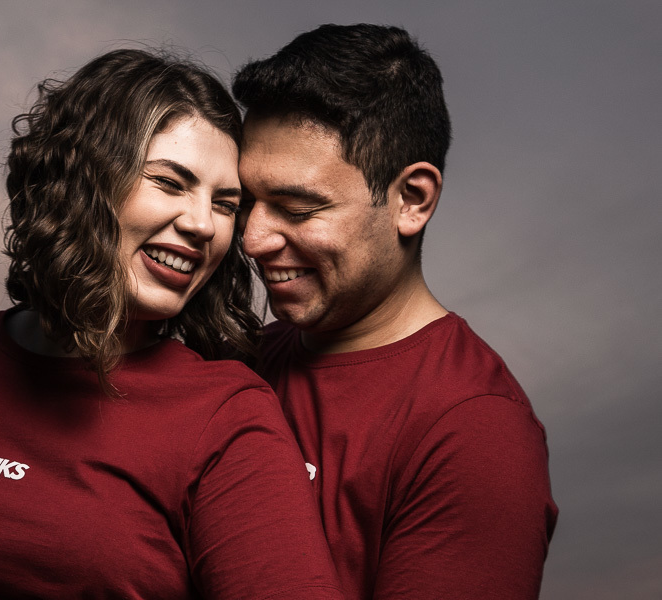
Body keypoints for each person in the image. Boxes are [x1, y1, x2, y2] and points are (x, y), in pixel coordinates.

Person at [0, 48, 344, 599]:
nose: (202, 225)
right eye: (170, 182)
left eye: (225, 203)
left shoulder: (227, 416)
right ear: (82, 178)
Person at [232, 24, 559, 599]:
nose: (254, 239)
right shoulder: (244, 359)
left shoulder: (474, 431)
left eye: (297, 209)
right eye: (248, 202)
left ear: (412, 200)